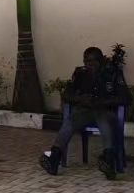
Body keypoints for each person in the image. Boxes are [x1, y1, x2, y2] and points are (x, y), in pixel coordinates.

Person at [39, 47, 128, 179]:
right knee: (69, 122)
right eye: (87, 61)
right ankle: (54, 158)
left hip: (105, 110)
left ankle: (108, 161)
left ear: (102, 60)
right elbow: (66, 94)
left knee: (105, 123)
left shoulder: (113, 72)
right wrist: (79, 99)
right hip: (85, 110)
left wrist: (102, 101)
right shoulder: (80, 73)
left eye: (94, 61)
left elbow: (125, 97)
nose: (91, 64)